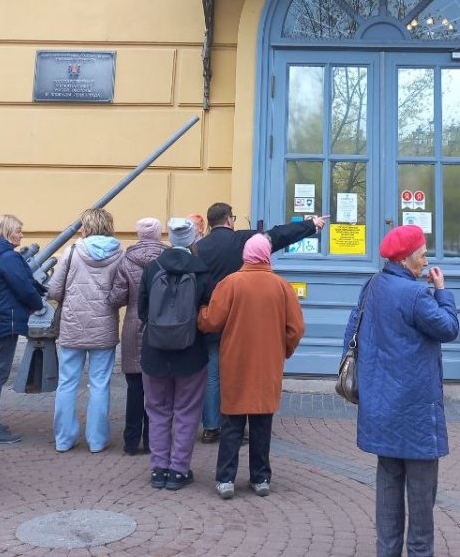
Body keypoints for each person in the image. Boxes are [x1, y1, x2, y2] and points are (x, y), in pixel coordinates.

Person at [344, 225, 458, 557]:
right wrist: (442, 291)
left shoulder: (373, 285)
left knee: (388, 488)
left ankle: (387, 551)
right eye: (422, 255)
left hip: (381, 407)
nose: (425, 261)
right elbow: (448, 328)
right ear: (406, 259)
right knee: (421, 498)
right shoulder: (417, 295)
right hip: (416, 411)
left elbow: (353, 330)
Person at [196, 202, 328, 443]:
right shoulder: (242, 241)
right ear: (229, 220)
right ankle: (243, 420)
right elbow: (278, 235)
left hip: (212, 320)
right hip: (241, 322)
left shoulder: (199, 247)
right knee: (244, 374)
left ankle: (211, 426)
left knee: (212, 375)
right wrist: (311, 225)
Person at [198, 234, 304, 499]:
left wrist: (200, 313)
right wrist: (284, 350)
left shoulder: (231, 283)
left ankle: (225, 479)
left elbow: (211, 321)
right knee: (262, 421)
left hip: (235, 361)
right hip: (267, 363)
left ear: (246, 255)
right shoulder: (281, 287)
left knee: (232, 422)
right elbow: (296, 328)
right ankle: (261, 478)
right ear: (267, 255)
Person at [138, 217, 211, 491]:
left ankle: (158, 469)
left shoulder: (151, 267)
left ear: (169, 238)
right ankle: (179, 470)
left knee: (157, 410)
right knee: (187, 411)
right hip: (191, 351)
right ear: (192, 239)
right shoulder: (202, 270)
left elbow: (142, 310)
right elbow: (207, 313)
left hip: (154, 350)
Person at [47, 207, 128, 453]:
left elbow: (54, 290)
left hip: (73, 324)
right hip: (104, 325)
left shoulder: (72, 251)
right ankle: (97, 439)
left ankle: (64, 438)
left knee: (67, 382)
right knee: (100, 383)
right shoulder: (119, 254)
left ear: (87, 226)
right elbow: (121, 292)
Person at [0, 213, 43, 444]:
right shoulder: (8, 257)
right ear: (8, 232)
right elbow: (24, 288)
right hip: (8, 319)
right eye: (18, 231)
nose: (22, 235)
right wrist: (37, 304)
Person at [117, 217, 166, 455]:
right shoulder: (167, 258)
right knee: (156, 388)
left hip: (132, 325)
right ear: (158, 234)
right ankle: (151, 441)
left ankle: (130, 441)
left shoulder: (126, 260)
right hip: (160, 326)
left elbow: (116, 297)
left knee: (134, 387)